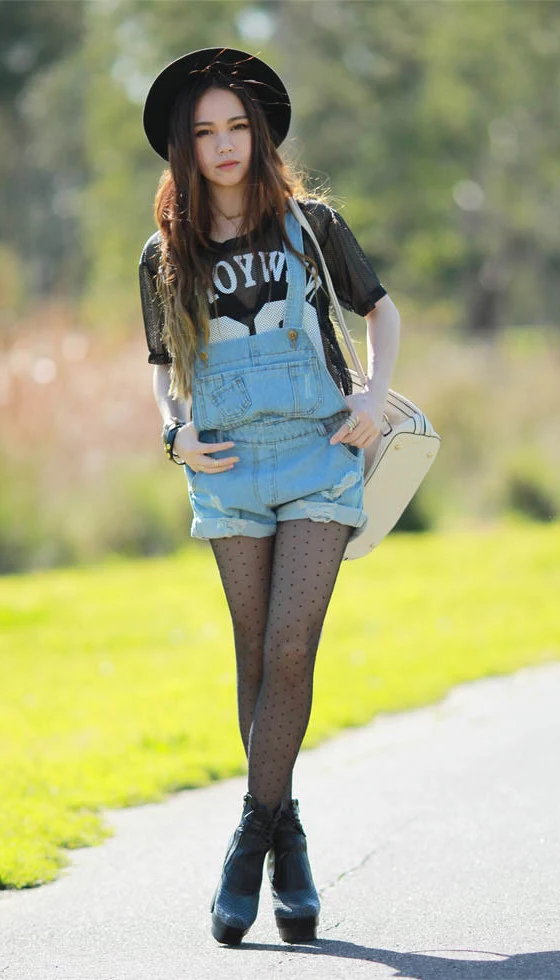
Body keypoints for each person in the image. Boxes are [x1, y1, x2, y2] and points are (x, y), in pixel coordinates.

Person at [139, 47, 400, 946]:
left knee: (290, 646)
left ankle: (248, 841)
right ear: (185, 144)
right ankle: (287, 837)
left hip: (319, 456)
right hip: (227, 468)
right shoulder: (165, 253)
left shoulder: (311, 222)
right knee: (252, 651)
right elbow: (167, 370)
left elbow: (382, 311)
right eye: (206, 131)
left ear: (260, 134)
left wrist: (371, 393)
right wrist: (173, 434)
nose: (224, 145)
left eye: (237, 127)